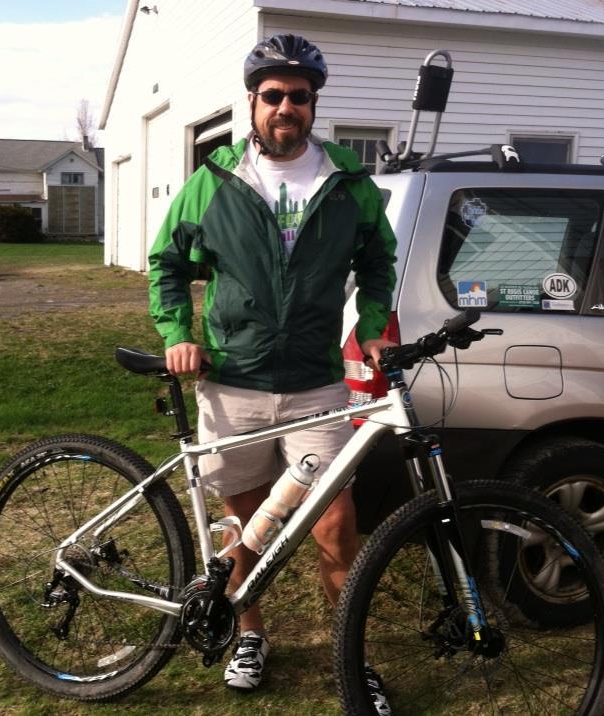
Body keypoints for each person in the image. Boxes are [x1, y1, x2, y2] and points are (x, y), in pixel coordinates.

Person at [148, 34, 396, 713]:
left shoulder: (347, 184)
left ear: (314, 104)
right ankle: (249, 633)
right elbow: (167, 263)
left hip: (317, 384)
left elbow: (378, 262)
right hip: (233, 384)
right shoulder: (214, 182)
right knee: (244, 525)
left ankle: (352, 656)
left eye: (300, 97)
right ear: (253, 103)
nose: (287, 107)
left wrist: (372, 326)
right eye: (275, 96)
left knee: (336, 527)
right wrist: (179, 334)